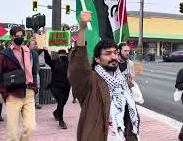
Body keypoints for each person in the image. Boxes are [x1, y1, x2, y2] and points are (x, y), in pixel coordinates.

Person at [68, 11, 140, 141]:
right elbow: (79, 67)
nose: (113, 57)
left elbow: (130, 116)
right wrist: (82, 28)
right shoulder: (91, 81)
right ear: (97, 59)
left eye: (115, 53)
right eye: (107, 53)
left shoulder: (121, 82)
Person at [0, 26, 37, 141]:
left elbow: (34, 72)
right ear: (12, 37)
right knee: (12, 134)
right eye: (16, 36)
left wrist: (34, 88)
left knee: (31, 127)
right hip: (13, 94)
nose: (19, 38)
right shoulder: (4, 54)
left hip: (29, 93)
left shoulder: (29, 52)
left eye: (21, 36)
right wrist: (6, 94)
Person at [44, 47, 70, 129]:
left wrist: (71, 50)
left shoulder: (70, 63)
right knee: (61, 101)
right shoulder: (55, 62)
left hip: (66, 86)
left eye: (64, 54)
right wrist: (45, 51)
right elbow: (48, 60)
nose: (63, 56)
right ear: (58, 55)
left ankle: (56, 113)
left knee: (63, 102)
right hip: (55, 86)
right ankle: (61, 121)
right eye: (62, 54)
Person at [27, 39, 42, 109]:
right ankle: (29, 103)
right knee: (28, 88)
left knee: (36, 87)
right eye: (33, 44)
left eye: (35, 44)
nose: (34, 45)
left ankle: (36, 103)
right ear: (29, 45)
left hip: (35, 73)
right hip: (28, 73)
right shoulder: (26, 52)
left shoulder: (35, 52)